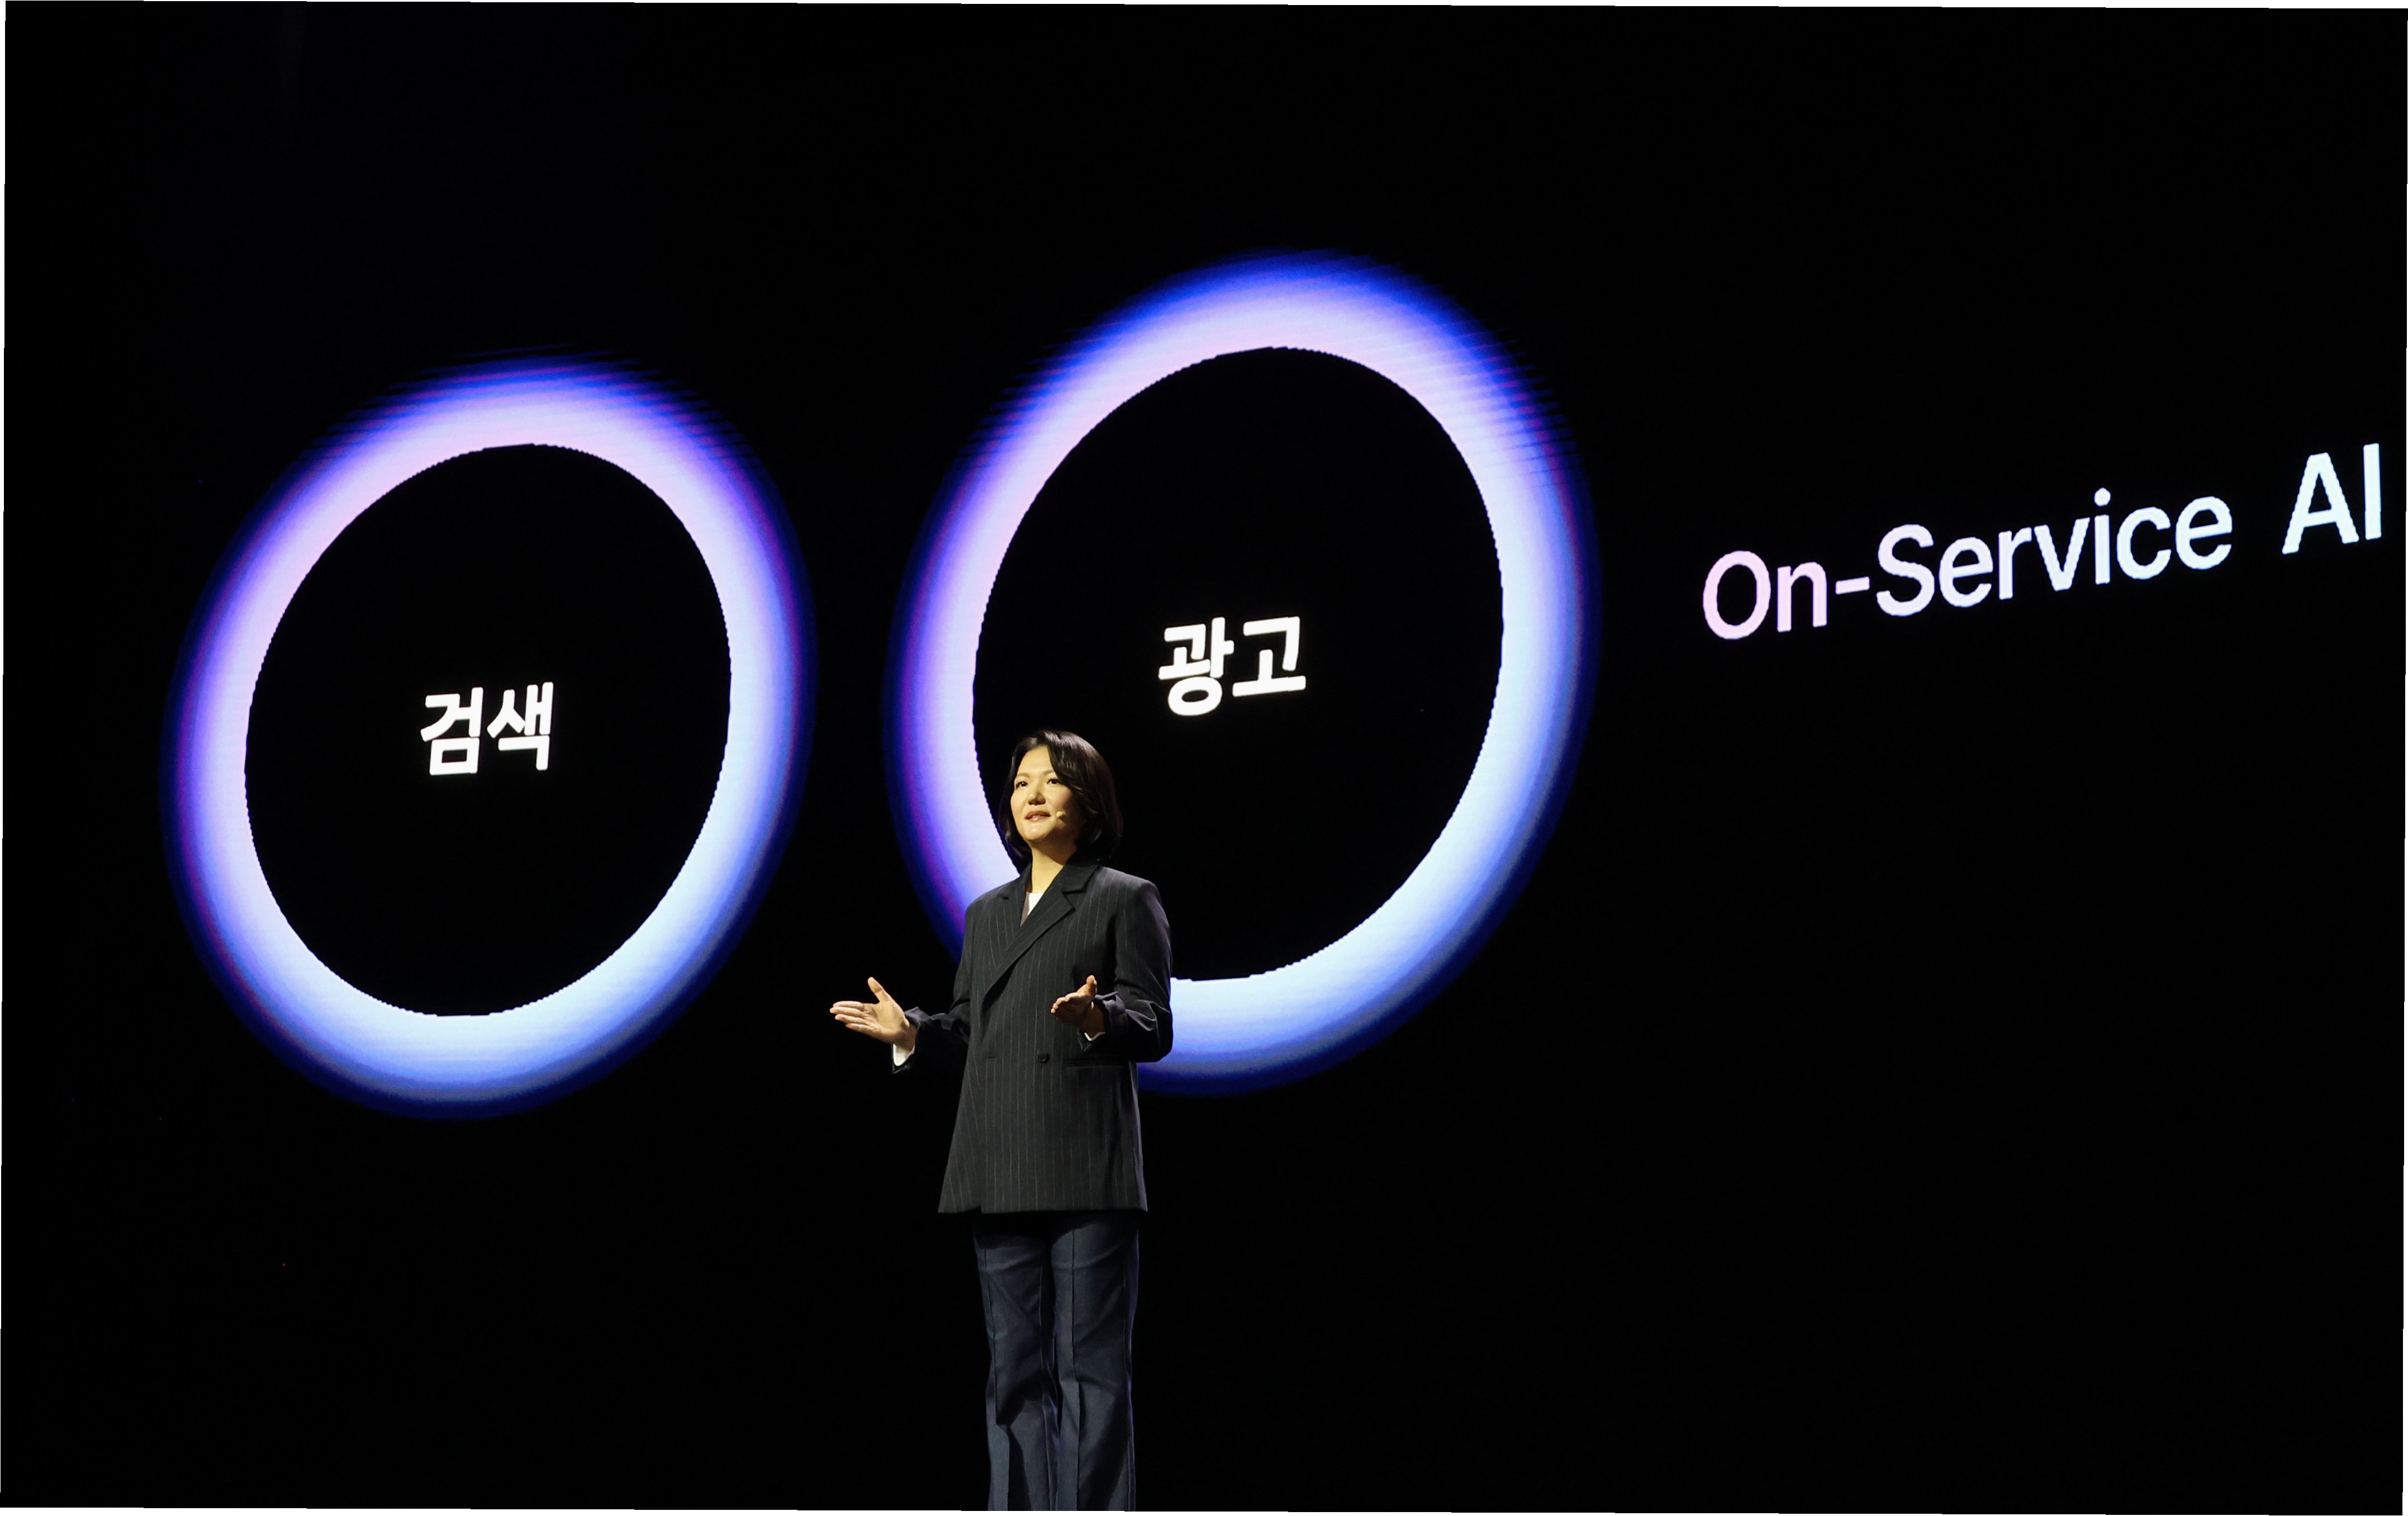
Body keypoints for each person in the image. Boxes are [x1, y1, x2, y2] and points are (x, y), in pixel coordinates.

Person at [830, 728, 1172, 1512]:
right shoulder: (986, 914)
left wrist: (1097, 1016)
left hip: (1085, 1162)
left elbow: (1153, 1023)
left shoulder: (1124, 896)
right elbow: (969, 1029)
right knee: (1012, 1370)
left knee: (1089, 1369)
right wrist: (914, 1033)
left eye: (1052, 781)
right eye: (1020, 783)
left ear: (1089, 803)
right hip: (995, 1158)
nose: (1032, 795)